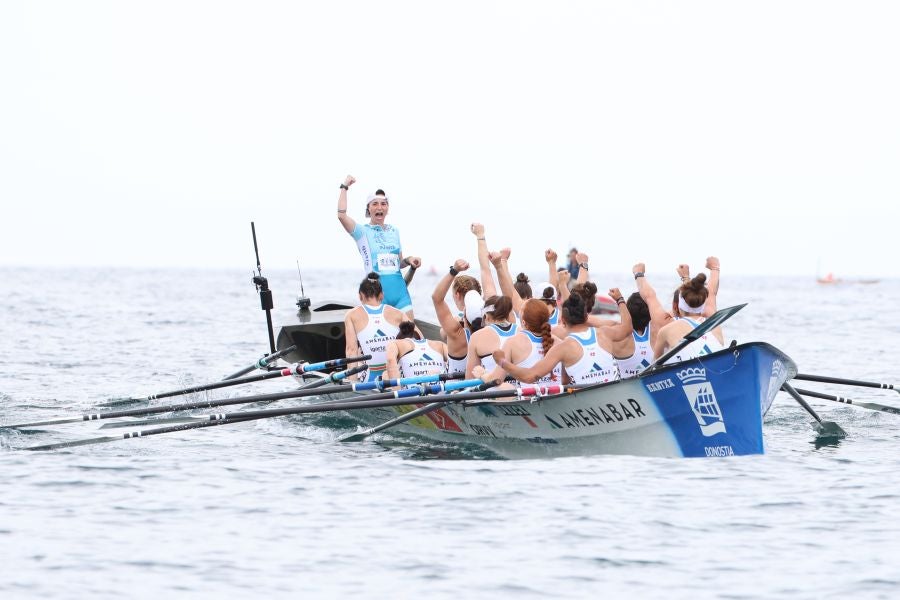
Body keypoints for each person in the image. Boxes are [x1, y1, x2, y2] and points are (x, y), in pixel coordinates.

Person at [493, 291, 632, 385]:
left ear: (563, 320)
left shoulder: (562, 347)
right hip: (608, 392)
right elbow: (627, 328)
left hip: (585, 402)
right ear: (586, 316)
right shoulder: (605, 333)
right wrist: (620, 300)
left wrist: (503, 362)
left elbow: (530, 376)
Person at [336, 175, 421, 317]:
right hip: (376, 296)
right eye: (374, 204)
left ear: (387, 208)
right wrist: (345, 187)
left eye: (383, 204)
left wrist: (410, 261)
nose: (379, 207)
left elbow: (399, 264)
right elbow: (341, 216)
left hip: (401, 295)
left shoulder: (394, 231)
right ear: (368, 208)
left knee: (407, 338)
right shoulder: (362, 232)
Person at [475, 299, 562, 386]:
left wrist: (482, 374)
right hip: (559, 397)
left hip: (529, 398)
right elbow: (566, 380)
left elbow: (496, 380)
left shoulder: (512, 342)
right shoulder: (560, 343)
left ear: (523, 322)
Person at [344, 273, 407, 382]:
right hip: (396, 375)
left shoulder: (351, 315)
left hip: (370, 379)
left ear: (360, 296)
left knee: (359, 351)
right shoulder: (399, 313)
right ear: (382, 295)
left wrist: (352, 385)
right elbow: (418, 339)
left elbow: (351, 351)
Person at [652, 273, 725, 364]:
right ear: (702, 304)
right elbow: (712, 294)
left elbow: (654, 368)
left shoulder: (665, 331)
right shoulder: (716, 327)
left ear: (677, 305)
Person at [431, 258, 482, 375]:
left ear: (457, 295)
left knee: (432, 372)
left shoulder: (456, 330)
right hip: (479, 383)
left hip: (455, 389)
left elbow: (437, 298)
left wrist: (454, 270)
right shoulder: (489, 327)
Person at [464, 295, 518, 378]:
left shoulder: (476, 337)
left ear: (486, 316)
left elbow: (470, 378)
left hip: (494, 388)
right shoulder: (522, 331)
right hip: (523, 388)